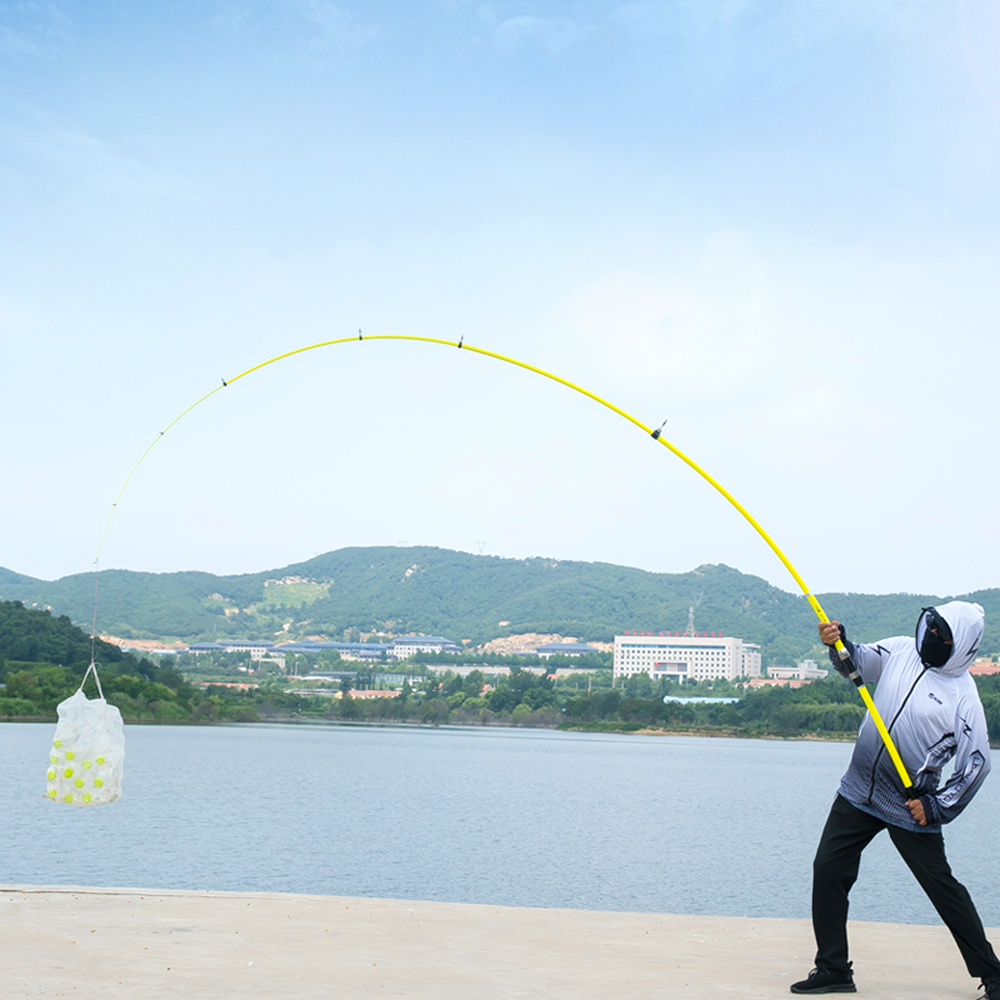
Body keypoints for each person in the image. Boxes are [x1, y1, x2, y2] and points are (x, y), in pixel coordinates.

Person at [790, 601, 1000, 997]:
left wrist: (937, 806)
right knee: (829, 870)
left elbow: (977, 765)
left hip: (910, 803)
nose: (932, 637)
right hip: (857, 790)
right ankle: (833, 969)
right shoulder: (902, 649)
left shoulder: (964, 699)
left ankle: (994, 975)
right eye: (932, 627)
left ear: (964, 645)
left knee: (942, 888)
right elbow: (859, 660)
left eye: (944, 635)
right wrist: (838, 642)